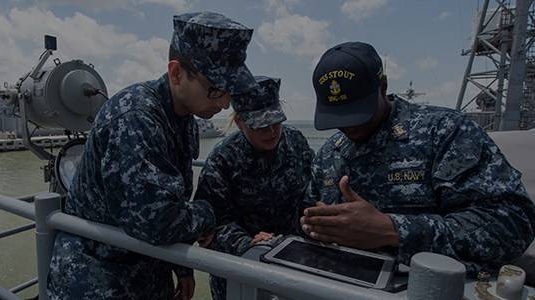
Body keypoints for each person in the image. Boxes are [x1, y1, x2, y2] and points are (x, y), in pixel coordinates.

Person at [46, 12, 259, 300]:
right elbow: (155, 220)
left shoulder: (183, 117)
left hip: (146, 273)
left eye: (230, 91)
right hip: (98, 280)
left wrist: (180, 266)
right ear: (175, 73)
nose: (224, 103)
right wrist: (207, 213)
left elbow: (171, 199)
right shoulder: (135, 116)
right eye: (215, 89)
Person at [300, 41, 535, 277]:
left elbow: (513, 226)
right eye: (337, 116)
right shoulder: (329, 154)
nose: (348, 125)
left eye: (358, 112)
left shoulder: (446, 133)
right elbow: (307, 218)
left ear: (383, 86)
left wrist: (394, 231)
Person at [194, 76, 315, 300]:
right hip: (241, 274)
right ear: (239, 123)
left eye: (275, 120)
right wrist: (246, 244)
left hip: (294, 268)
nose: (269, 131)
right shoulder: (224, 159)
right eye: (258, 124)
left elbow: (311, 197)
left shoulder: (297, 143)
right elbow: (210, 224)